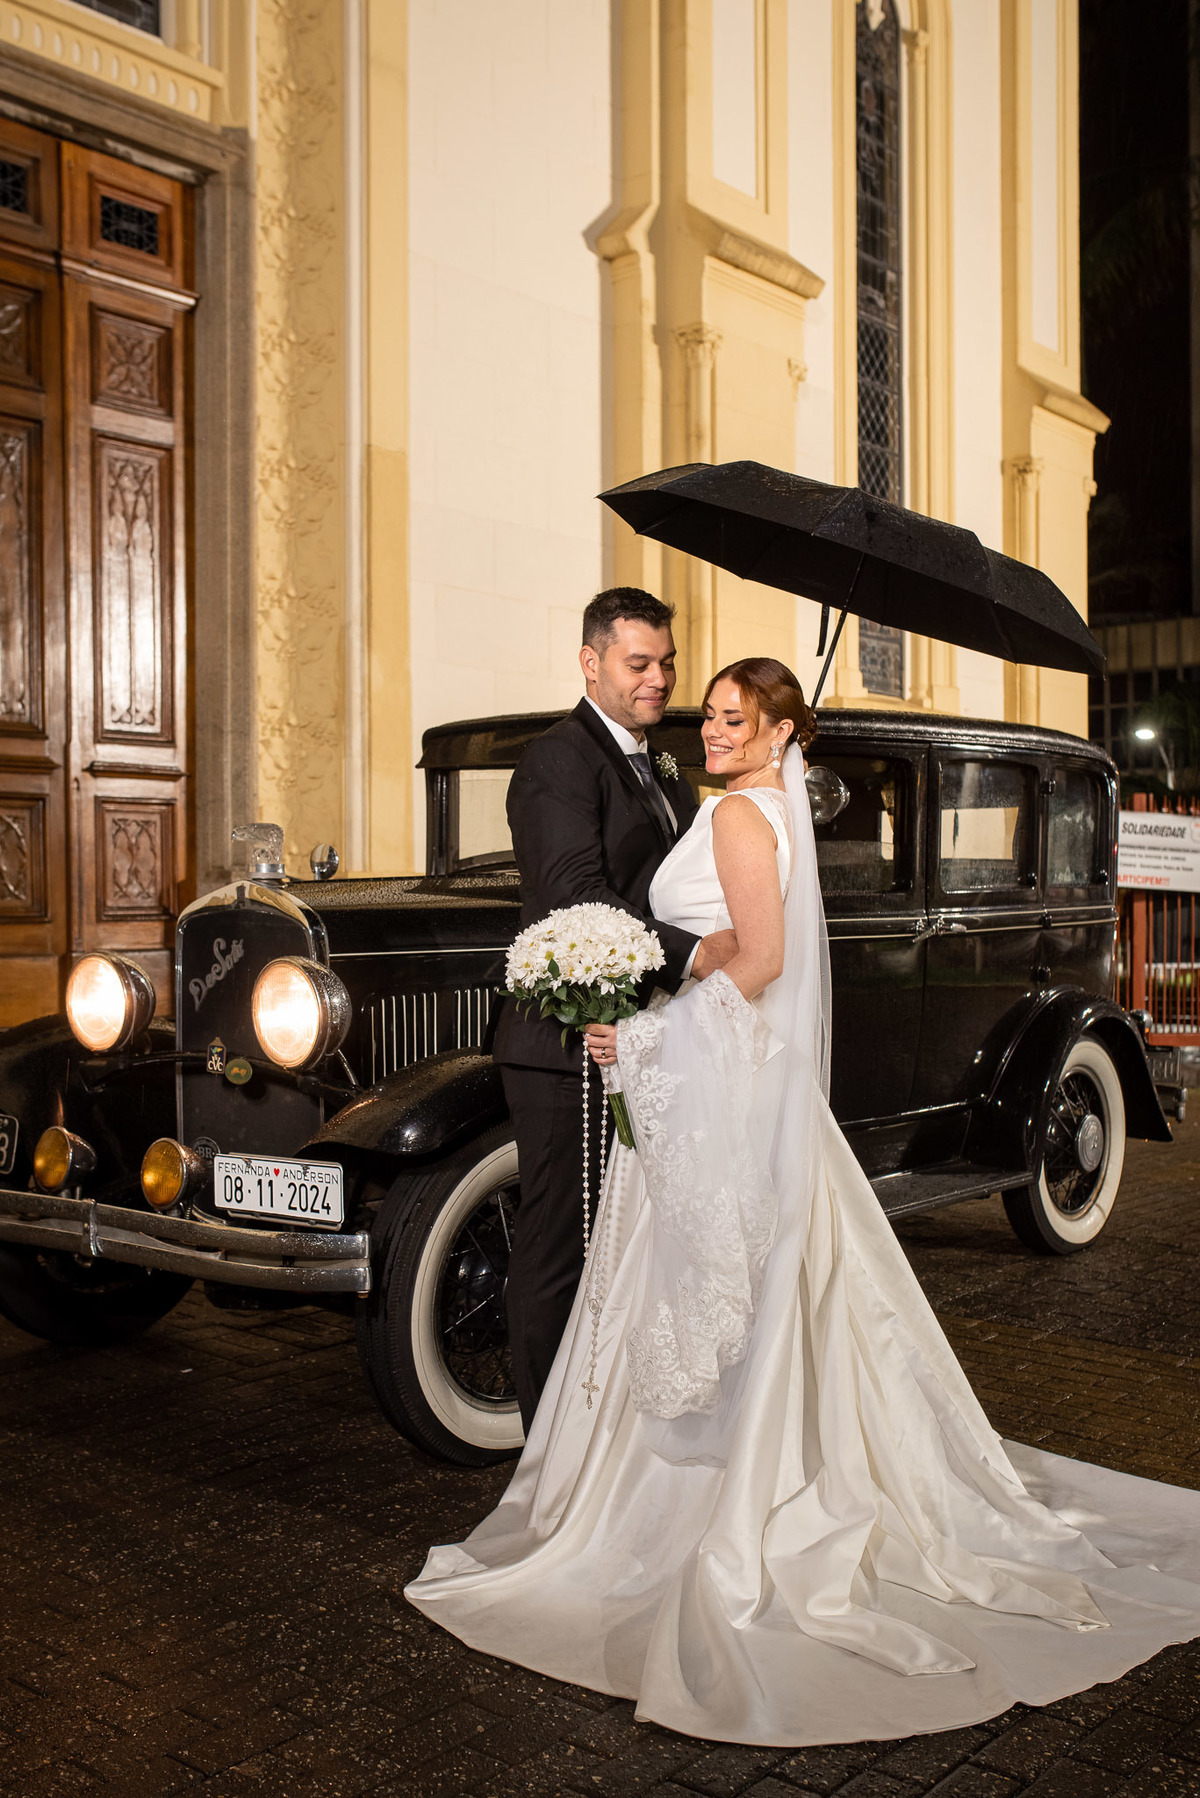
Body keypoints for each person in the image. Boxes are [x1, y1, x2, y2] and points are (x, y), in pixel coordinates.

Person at [410, 657, 1200, 1747]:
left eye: (736, 719)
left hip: (710, 1080)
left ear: (783, 732)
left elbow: (762, 960)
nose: (713, 730)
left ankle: (700, 1496)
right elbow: (736, 951)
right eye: (710, 714)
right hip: (724, 1083)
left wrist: (644, 1035)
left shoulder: (744, 817)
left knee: (713, 1282)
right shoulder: (755, 809)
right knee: (758, 1283)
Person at [492, 587, 736, 1430]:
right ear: (590, 663)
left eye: (667, 662)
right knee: (560, 1247)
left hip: (643, 1037)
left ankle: (607, 1428)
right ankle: (546, 1442)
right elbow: (576, 898)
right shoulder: (559, 761)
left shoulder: (659, 765)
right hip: (566, 1042)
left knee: (624, 1243)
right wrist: (696, 954)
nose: (659, 678)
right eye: (639, 663)